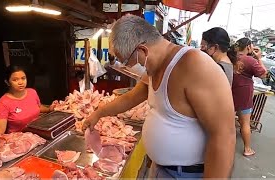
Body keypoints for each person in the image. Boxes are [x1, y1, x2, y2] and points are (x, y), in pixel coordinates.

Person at [83, 14, 236, 178]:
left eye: (127, 62)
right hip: (162, 170)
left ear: (143, 50)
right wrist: (98, 114)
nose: (130, 68)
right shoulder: (154, 68)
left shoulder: (195, 65)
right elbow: (130, 98)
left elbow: (224, 136)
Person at [231, 38, 267, 156]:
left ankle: (226, 145)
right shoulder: (250, 60)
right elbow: (263, 74)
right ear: (248, 47)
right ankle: (247, 149)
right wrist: (259, 58)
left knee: (227, 121)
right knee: (245, 123)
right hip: (244, 94)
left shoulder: (230, 57)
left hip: (228, 93)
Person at [0, 65, 53, 134]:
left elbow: (38, 107)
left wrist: (49, 109)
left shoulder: (32, 92)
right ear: (7, 82)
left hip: (37, 134)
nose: (20, 82)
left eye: (23, 78)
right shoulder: (3, 103)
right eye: (15, 80)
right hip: (19, 139)